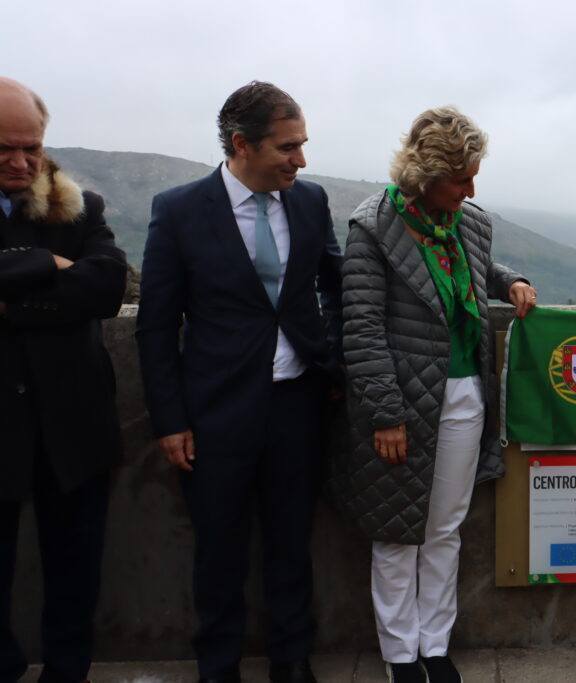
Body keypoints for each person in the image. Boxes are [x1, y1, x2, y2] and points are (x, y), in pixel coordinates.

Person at [135, 81, 343, 683]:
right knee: (219, 546)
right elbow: (156, 326)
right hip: (216, 412)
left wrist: (330, 355)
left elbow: (337, 282)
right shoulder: (179, 210)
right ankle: (218, 666)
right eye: (288, 147)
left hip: (299, 402)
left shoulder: (309, 201)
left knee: (291, 540)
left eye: (302, 144)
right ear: (241, 144)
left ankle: (292, 660)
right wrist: (170, 420)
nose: (301, 160)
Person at [334, 107, 535, 683]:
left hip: (465, 394)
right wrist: (385, 414)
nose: (471, 190)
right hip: (402, 403)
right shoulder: (372, 228)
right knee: (397, 531)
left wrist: (510, 281)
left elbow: (476, 265)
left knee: (445, 528)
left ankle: (435, 646)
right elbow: (362, 327)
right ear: (426, 177)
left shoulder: (466, 220)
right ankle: (400, 654)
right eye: (460, 179)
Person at [0, 77, 127, 683]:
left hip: (74, 424)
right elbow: (77, 284)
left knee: (75, 569)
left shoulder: (79, 206)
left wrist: (11, 301)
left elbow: (106, 286)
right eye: (4, 149)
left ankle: (67, 673)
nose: (21, 162)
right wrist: (45, 263)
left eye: (31, 147)